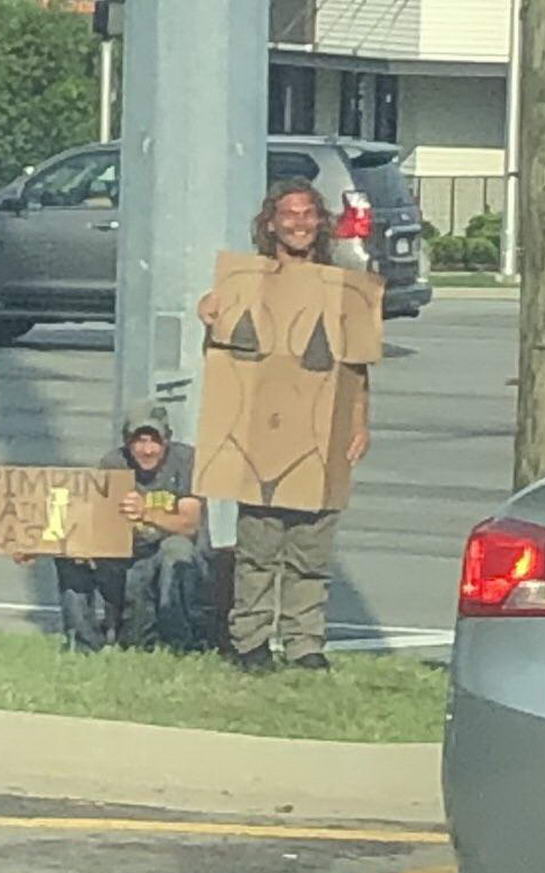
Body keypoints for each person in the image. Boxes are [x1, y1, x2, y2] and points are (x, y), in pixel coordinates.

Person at [198, 178, 373, 673]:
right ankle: (251, 640)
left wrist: (361, 421)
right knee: (258, 550)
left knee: (311, 553)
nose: (298, 222)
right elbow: (224, 364)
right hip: (260, 436)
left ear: (320, 221)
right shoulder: (245, 285)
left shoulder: (342, 289)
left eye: (307, 213)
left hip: (321, 437)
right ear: (270, 223)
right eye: (288, 214)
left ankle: (304, 643)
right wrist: (208, 317)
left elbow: (357, 367)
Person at [50, 401, 209, 653]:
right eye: (139, 441)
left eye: (154, 441)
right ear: (126, 441)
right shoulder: (113, 463)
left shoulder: (186, 460)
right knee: (70, 557)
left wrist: (146, 512)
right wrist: (35, 544)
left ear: (167, 439)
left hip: (169, 564)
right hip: (128, 561)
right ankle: (83, 644)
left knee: (176, 549)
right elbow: (96, 521)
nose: (147, 450)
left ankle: (180, 642)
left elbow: (190, 523)